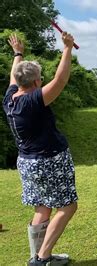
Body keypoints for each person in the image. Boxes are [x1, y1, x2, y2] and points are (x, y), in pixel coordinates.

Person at [2, 33, 78, 265]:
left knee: (43, 207)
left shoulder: (10, 98)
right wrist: (67, 49)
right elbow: (60, 80)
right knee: (67, 206)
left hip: (27, 162)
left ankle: (36, 257)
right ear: (36, 82)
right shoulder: (33, 100)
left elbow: (15, 75)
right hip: (50, 160)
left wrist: (18, 53)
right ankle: (43, 257)